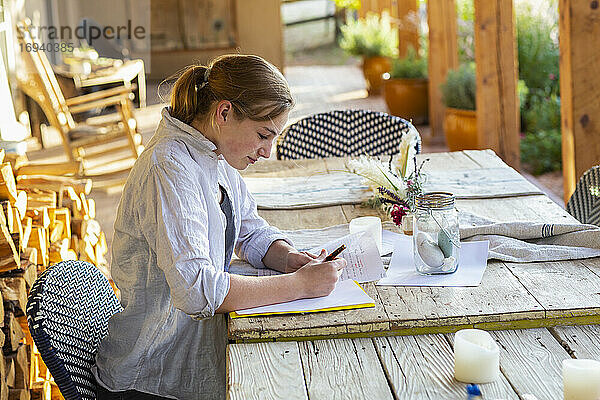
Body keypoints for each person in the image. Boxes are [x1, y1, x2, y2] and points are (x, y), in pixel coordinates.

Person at [92, 54, 346, 400]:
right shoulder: (169, 167)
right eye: (262, 135)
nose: (268, 151)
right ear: (224, 113)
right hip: (151, 375)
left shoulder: (214, 151)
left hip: (188, 351)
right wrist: (299, 285)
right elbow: (197, 289)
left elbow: (250, 229)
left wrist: (287, 258)